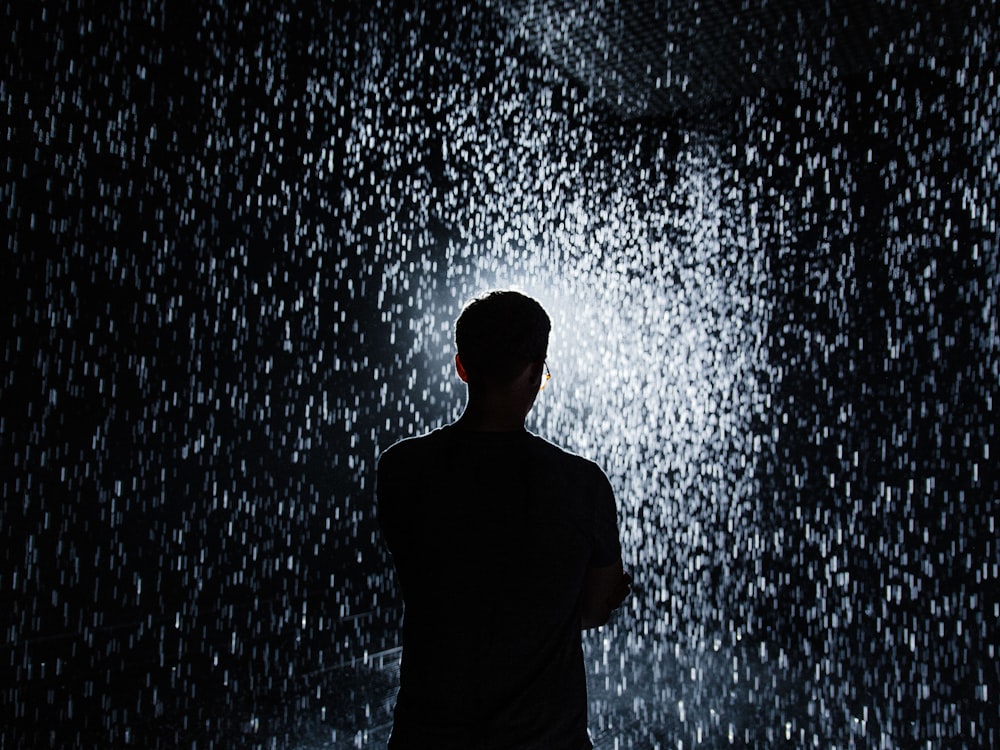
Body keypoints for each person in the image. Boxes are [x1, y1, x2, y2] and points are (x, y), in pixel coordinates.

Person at [376, 290, 632, 750]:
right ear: (536, 372)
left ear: (462, 367)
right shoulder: (582, 484)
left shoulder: (401, 469)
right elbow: (595, 609)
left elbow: (437, 584)